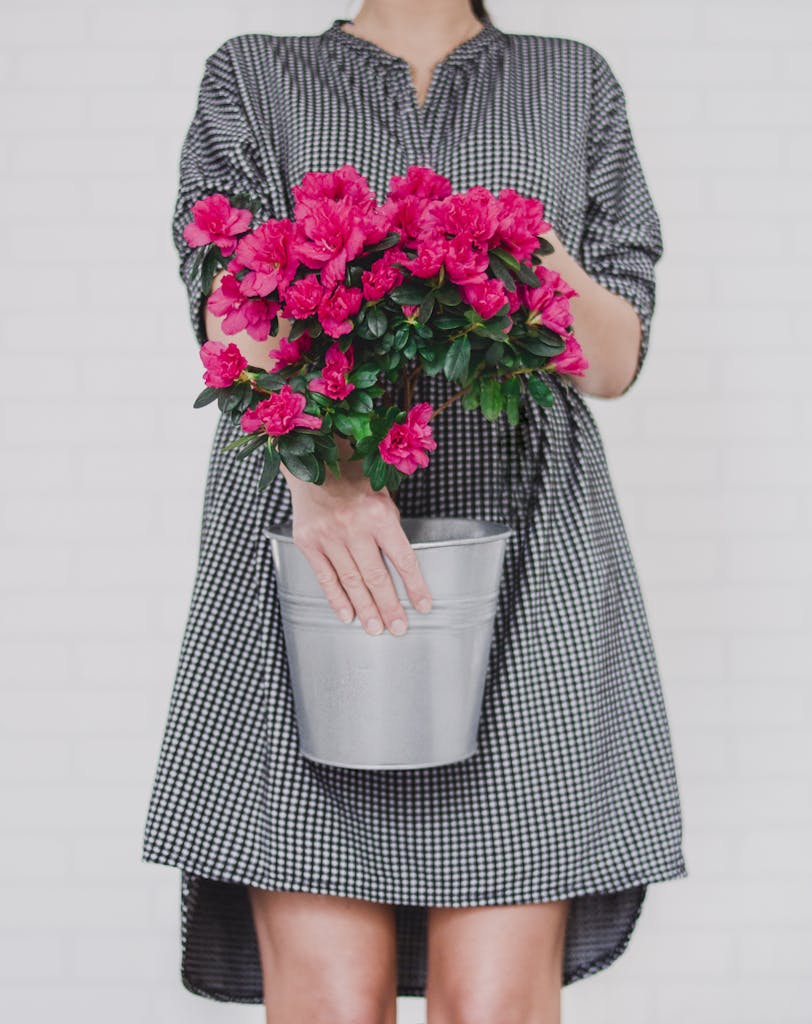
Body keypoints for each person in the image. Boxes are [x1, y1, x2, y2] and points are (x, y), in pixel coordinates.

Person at [141, 1, 689, 1021]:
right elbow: (225, 310)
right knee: (330, 1004)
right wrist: (328, 474)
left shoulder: (571, 80)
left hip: (531, 564)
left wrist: (527, 257)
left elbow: (614, 358)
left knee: (493, 1007)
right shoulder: (254, 73)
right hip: (309, 550)